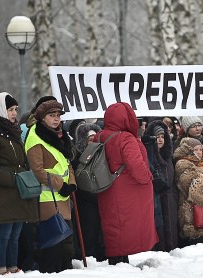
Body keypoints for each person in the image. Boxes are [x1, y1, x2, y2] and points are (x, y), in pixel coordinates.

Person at [0, 93, 38, 275]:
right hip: (4, 192)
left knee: (14, 236)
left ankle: (13, 269)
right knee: (3, 235)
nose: (14, 113)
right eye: (10, 109)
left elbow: (23, 160)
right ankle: (0, 271)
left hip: (19, 192)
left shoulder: (13, 132)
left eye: (15, 110)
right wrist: (12, 178)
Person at [97, 102, 158, 264]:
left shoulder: (100, 136)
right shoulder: (125, 138)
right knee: (127, 229)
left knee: (114, 228)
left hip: (107, 188)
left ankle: (117, 262)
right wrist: (148, 177)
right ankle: (121, 265)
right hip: (128, 194)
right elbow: (137, 167)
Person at [25, 98, 76, 273]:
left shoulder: (59, 135)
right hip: (47, 199)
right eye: (51, 115)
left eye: (58, 116)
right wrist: (60, 184)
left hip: (62, 197)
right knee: (53, 248)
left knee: (66, 248)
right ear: (42, 118)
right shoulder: (35, 136)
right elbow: (37, 170)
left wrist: (72, 183)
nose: (56, 119)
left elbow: (67, 163)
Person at [70, 120, 106, 261]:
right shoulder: (77, 159)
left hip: (101, 201)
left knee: (101, 236)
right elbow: (80, 185)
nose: (93, 142)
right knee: (88, 236)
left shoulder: (102, 157)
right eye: (90, 139)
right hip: (86, 204)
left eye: (95, 139)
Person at [142, 120, 178, 251]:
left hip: (170, 199)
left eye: (162, 137)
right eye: (157, 137)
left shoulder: (168, 156)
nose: (160, 140)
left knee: (171, 228)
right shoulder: (148, 156)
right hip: (155, 199)